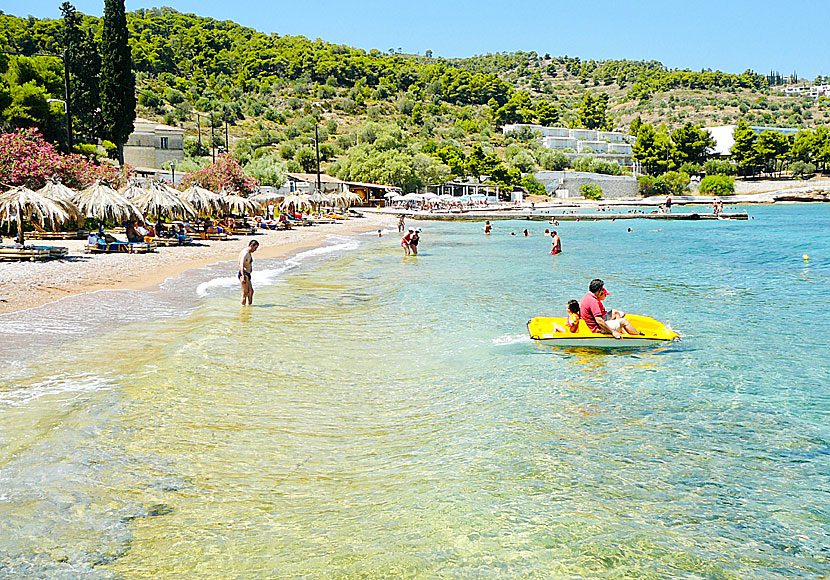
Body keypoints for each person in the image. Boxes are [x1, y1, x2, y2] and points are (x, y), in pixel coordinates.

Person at [238, 239, 259, 306]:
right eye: (255, 248)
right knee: (245, 293)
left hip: (247, 274)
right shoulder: (245, 253)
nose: (255, 250)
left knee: (251, 292)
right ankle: (243, 309)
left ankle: (249, 307)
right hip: (244, 274)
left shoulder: (248, 252)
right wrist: (243, 276)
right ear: (251, 245)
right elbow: (241, 264)